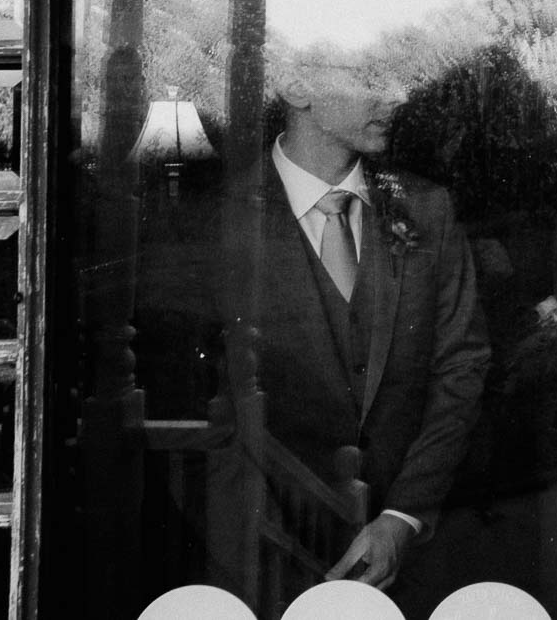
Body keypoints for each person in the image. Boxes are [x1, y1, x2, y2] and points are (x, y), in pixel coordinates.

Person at [205, 52, 490, 606]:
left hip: (411, 568)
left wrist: (401, 518)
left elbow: (463, 367)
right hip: (261, 565)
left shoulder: (429, 209)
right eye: (370, 74)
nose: (397, 95)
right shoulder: (218, 217)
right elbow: (204, 413)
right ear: (295, 83)